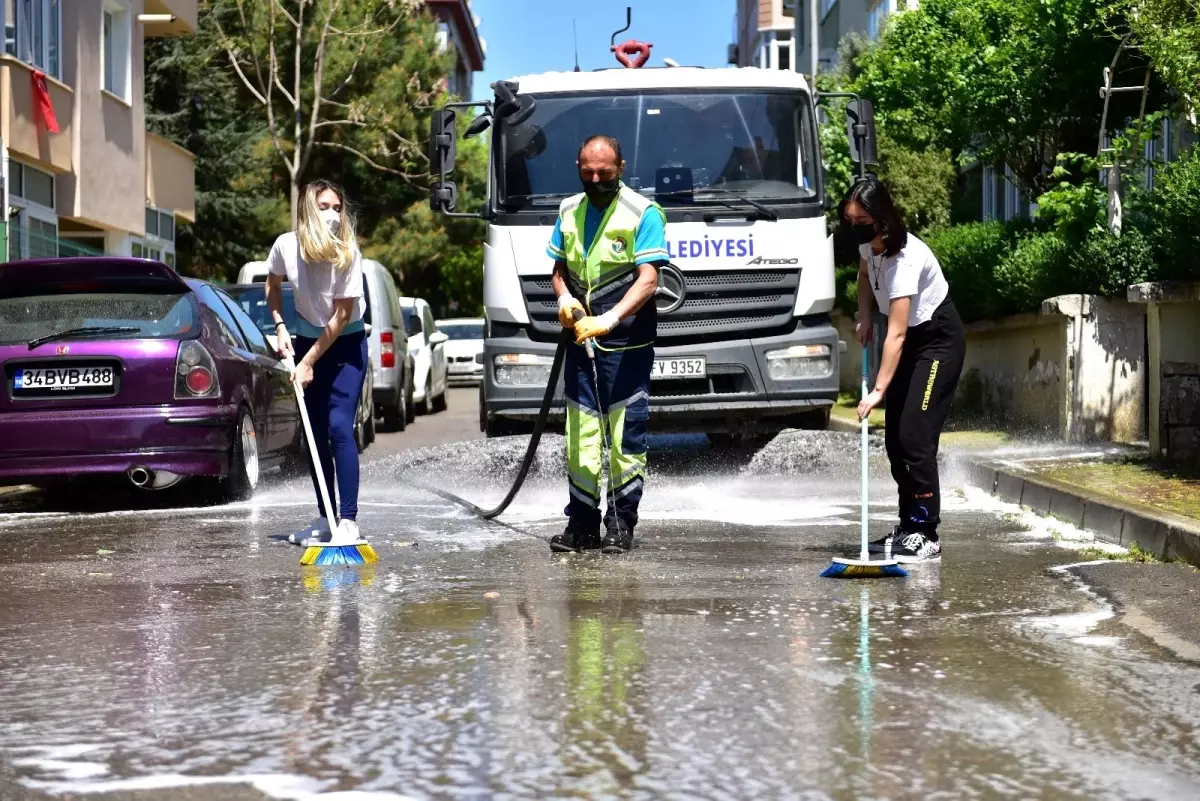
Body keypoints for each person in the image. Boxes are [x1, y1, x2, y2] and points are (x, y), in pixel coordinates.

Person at [546, 134, 668, 554]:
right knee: (580, 435)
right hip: (579, 342)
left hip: (626, 345)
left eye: (604, 172)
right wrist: (564, 298)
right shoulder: (567, 211)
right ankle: (581, 524)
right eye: (587, 172)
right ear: (578, 166)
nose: (595, 179)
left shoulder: (643, 213)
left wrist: (610, 318)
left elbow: (649, 279)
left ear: (621, 167)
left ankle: (620, 524)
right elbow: (559, 269)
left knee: (623, 437)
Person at [844, 177, 965, 563]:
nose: (853, 227)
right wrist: (863, 315)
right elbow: (864, 277)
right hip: (911, 343)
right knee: (895, 440)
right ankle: (908, 526)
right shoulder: (869, 245)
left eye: (860, 220)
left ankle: (927, 532)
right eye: (849, 219)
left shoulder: (906, 259)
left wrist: (878, 391)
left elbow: (895, 334)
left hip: (936, 344)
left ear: (881, 220)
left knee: (914, 437)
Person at [266, 179, 368, 547]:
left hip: (346, 345)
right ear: (309, 209)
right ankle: (325, 517)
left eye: (337, 208)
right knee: (313, 434)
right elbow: (272, 284)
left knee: (339, 426)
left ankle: (349, 520)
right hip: (309, 340)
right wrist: (280, 326)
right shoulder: (286, 246)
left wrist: (307, 362)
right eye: (324, 207)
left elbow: (341, 318)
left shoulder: (347, 253)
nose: (333, 215)